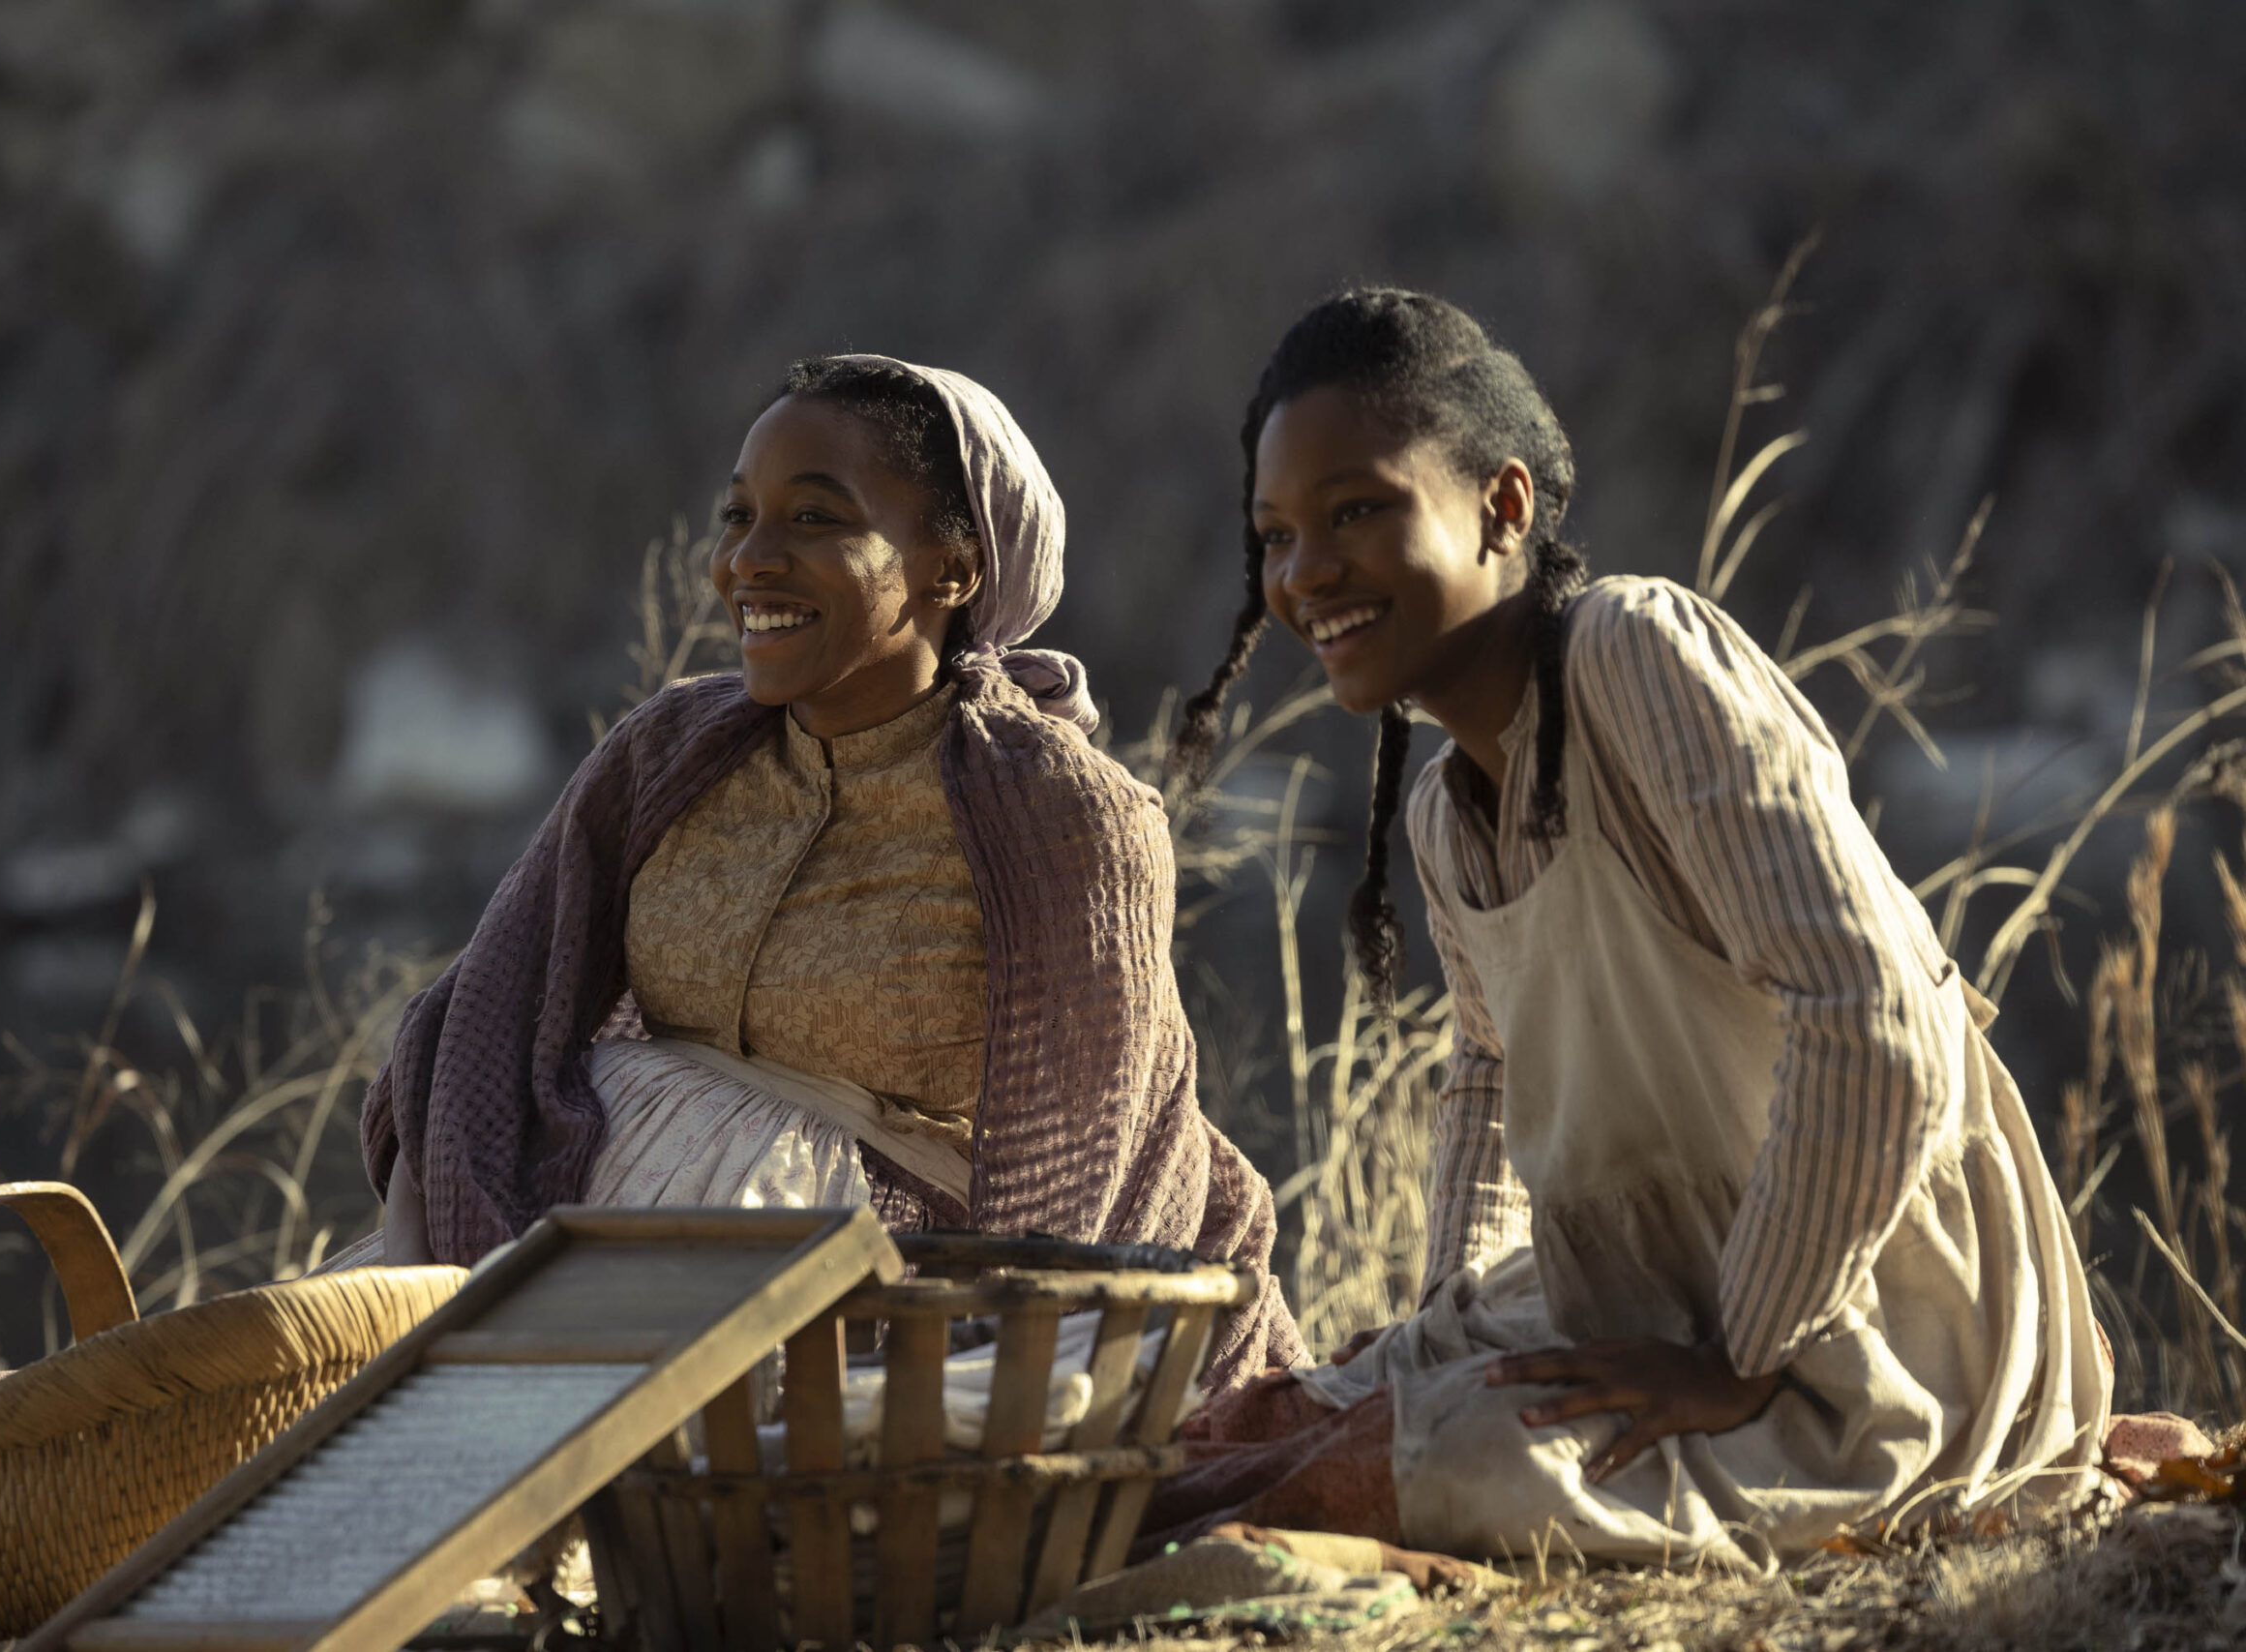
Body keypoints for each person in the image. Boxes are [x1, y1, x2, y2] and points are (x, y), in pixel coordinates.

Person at [1141, 289, 2108, 1564]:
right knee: (1276, 1420)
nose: (1304, 571)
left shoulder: (1634, 654)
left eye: (1357, 509)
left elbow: (1873, 1020)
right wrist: (1443, 1328)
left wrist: (1738, 1353)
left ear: (1504, 506)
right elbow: (1490, 1078)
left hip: (1865, 1333)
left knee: (1440, 1458)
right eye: (1275, 534)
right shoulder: (1445, 806)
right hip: (1658, 1299)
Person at [351, 354, 1305, 1388]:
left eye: (815, 519)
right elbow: (483, 1020)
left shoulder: (1066, 820)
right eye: (737, 517)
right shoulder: (666, 752)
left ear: (955, 567)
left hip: (860, 1323)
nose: (748, 562)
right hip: (580, 1248)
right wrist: (438, 1271)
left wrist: (967, 1400)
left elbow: (1082, 1187)